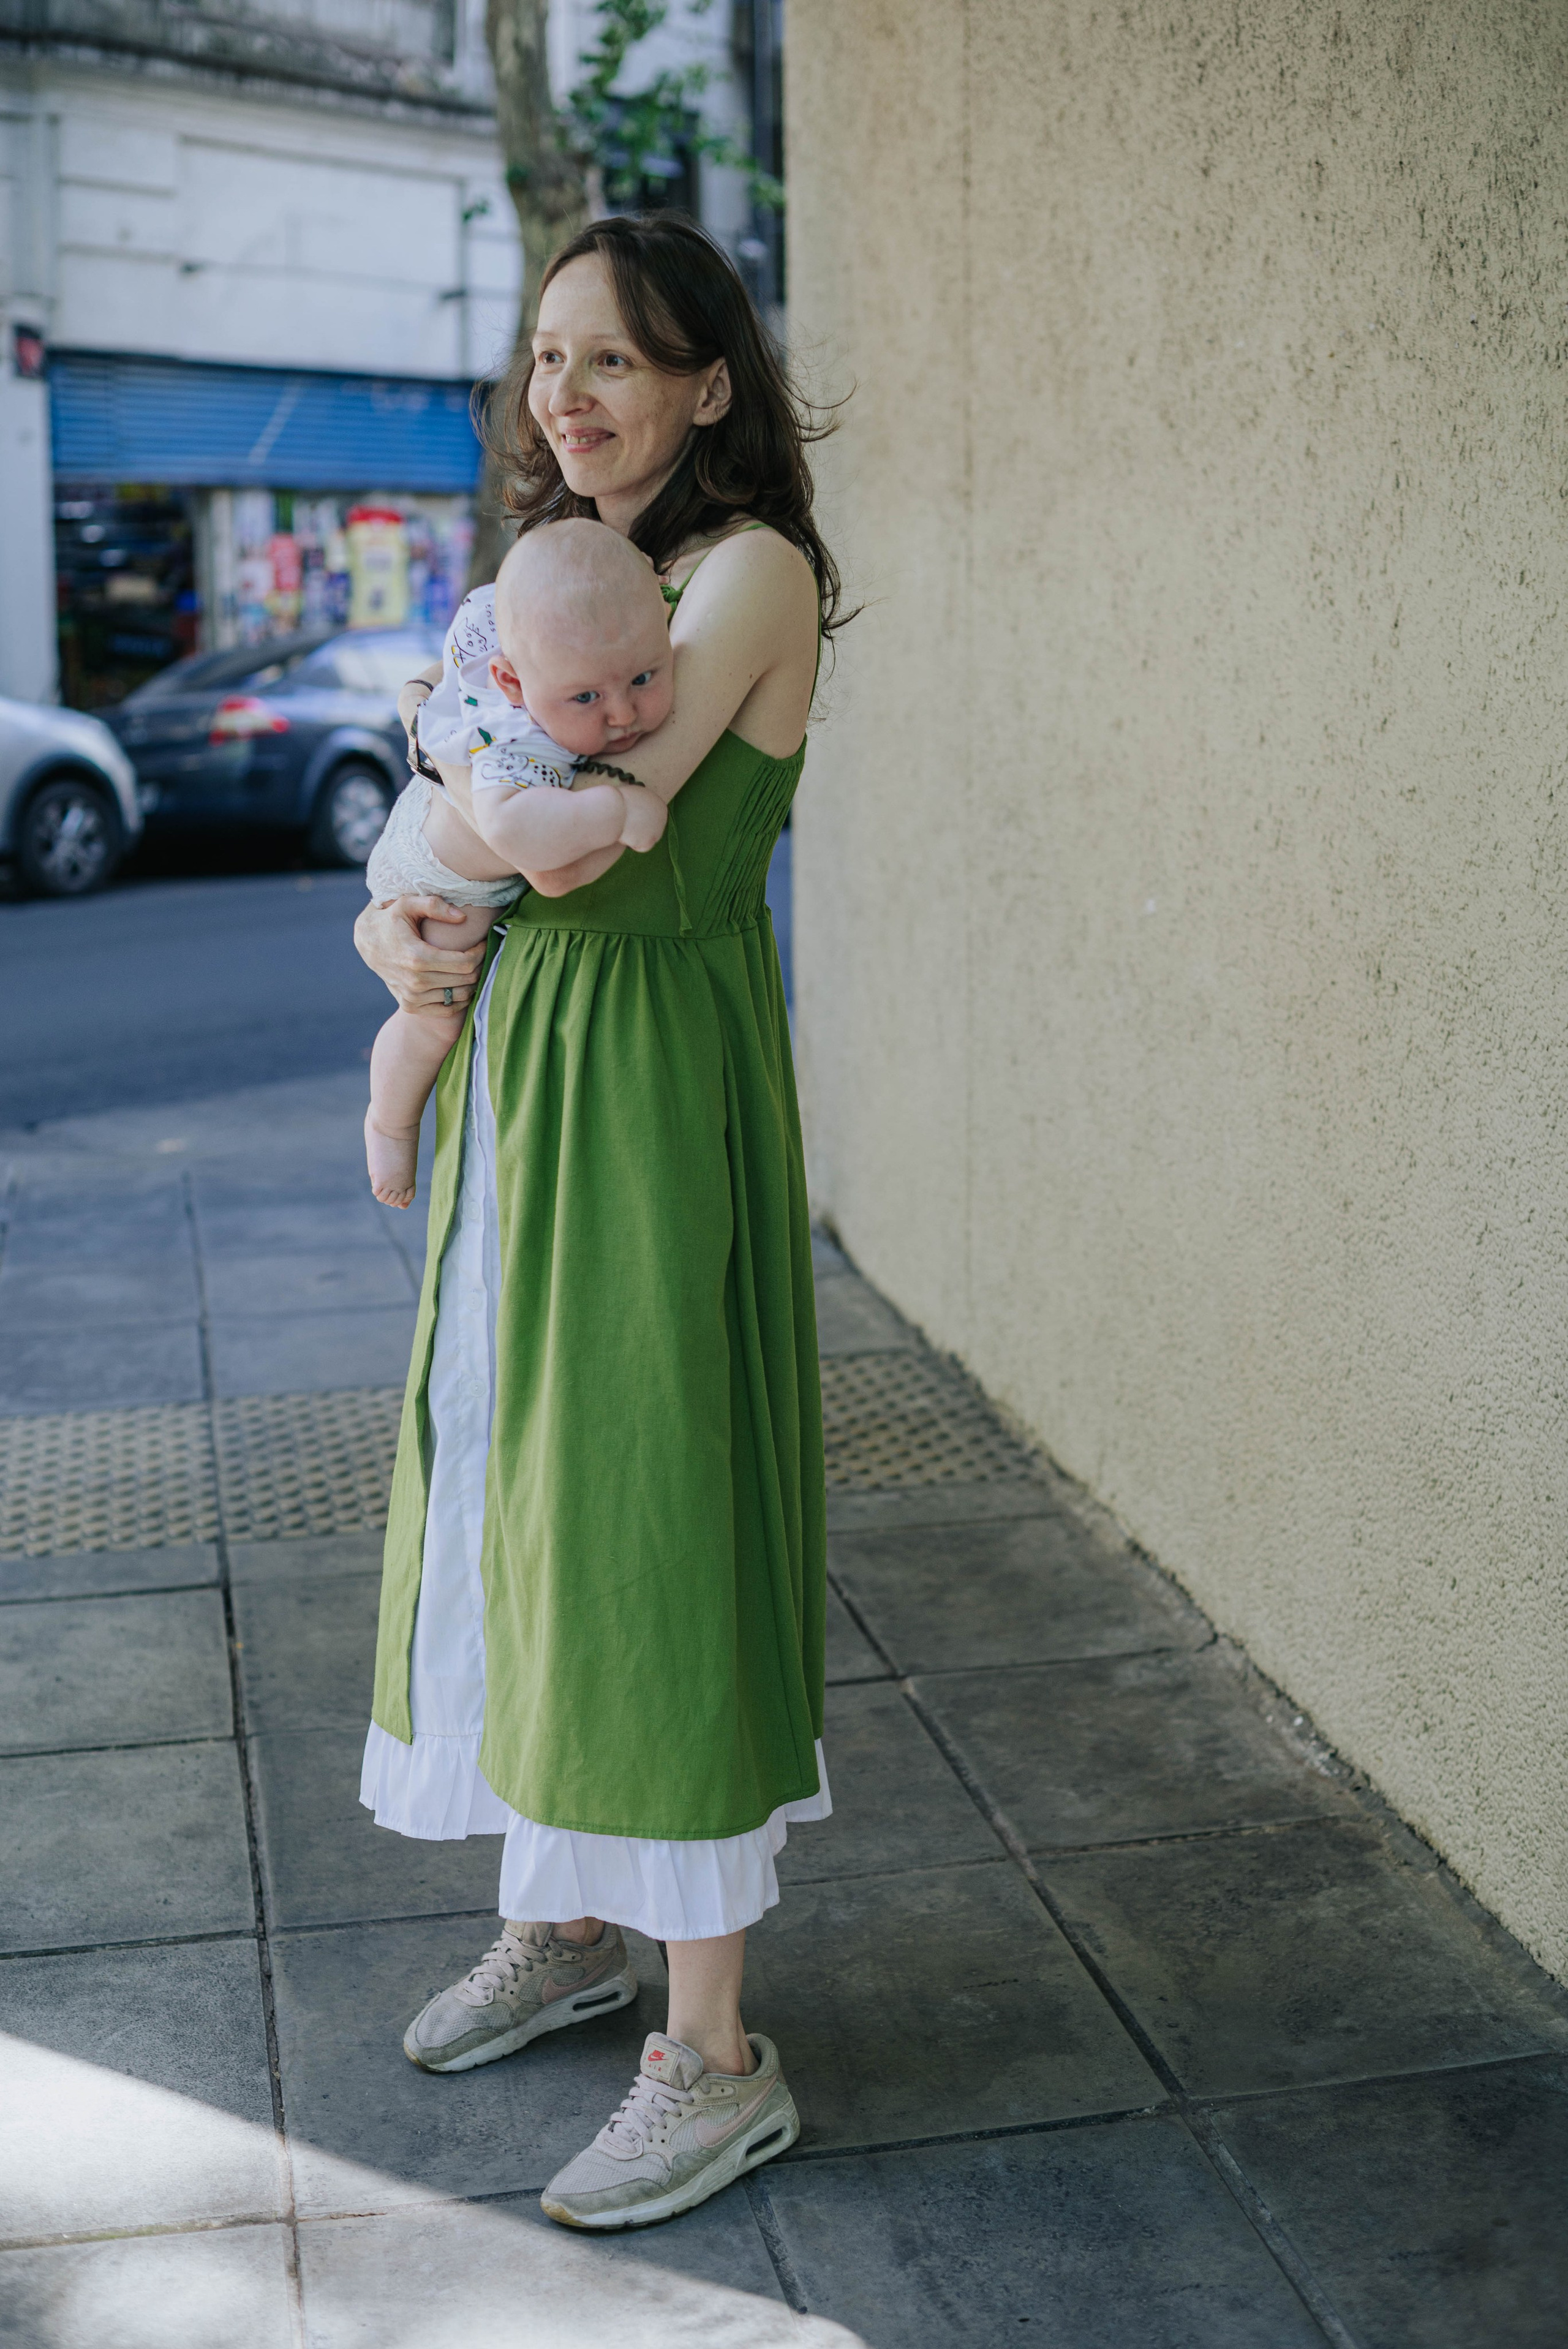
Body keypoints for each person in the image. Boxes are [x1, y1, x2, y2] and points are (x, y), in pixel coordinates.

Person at [353, 211, 846, 2233]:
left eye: (618, 359)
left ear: (711, 380)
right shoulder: (576, 577)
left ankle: (716, 2059)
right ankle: (569, 1918)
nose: (568, 394)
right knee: (522, 1502)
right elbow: (487, 803)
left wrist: (429, 824)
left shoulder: (745, 573)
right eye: (549, 357)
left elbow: (552, 812)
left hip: (649, 1088)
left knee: (658, 1525)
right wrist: (413, 895)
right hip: (533, 1089)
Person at [362, 521, 671, 1208]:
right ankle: (388, 1119)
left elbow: (431, 679)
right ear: (511, 679)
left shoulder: (551, 627)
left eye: (645, 677)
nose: (623, 713)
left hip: (440, 822)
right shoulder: (517, 741)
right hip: (443, 882)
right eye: (587, 698)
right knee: (435, 1016)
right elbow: (520, 837)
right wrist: (614, 813)